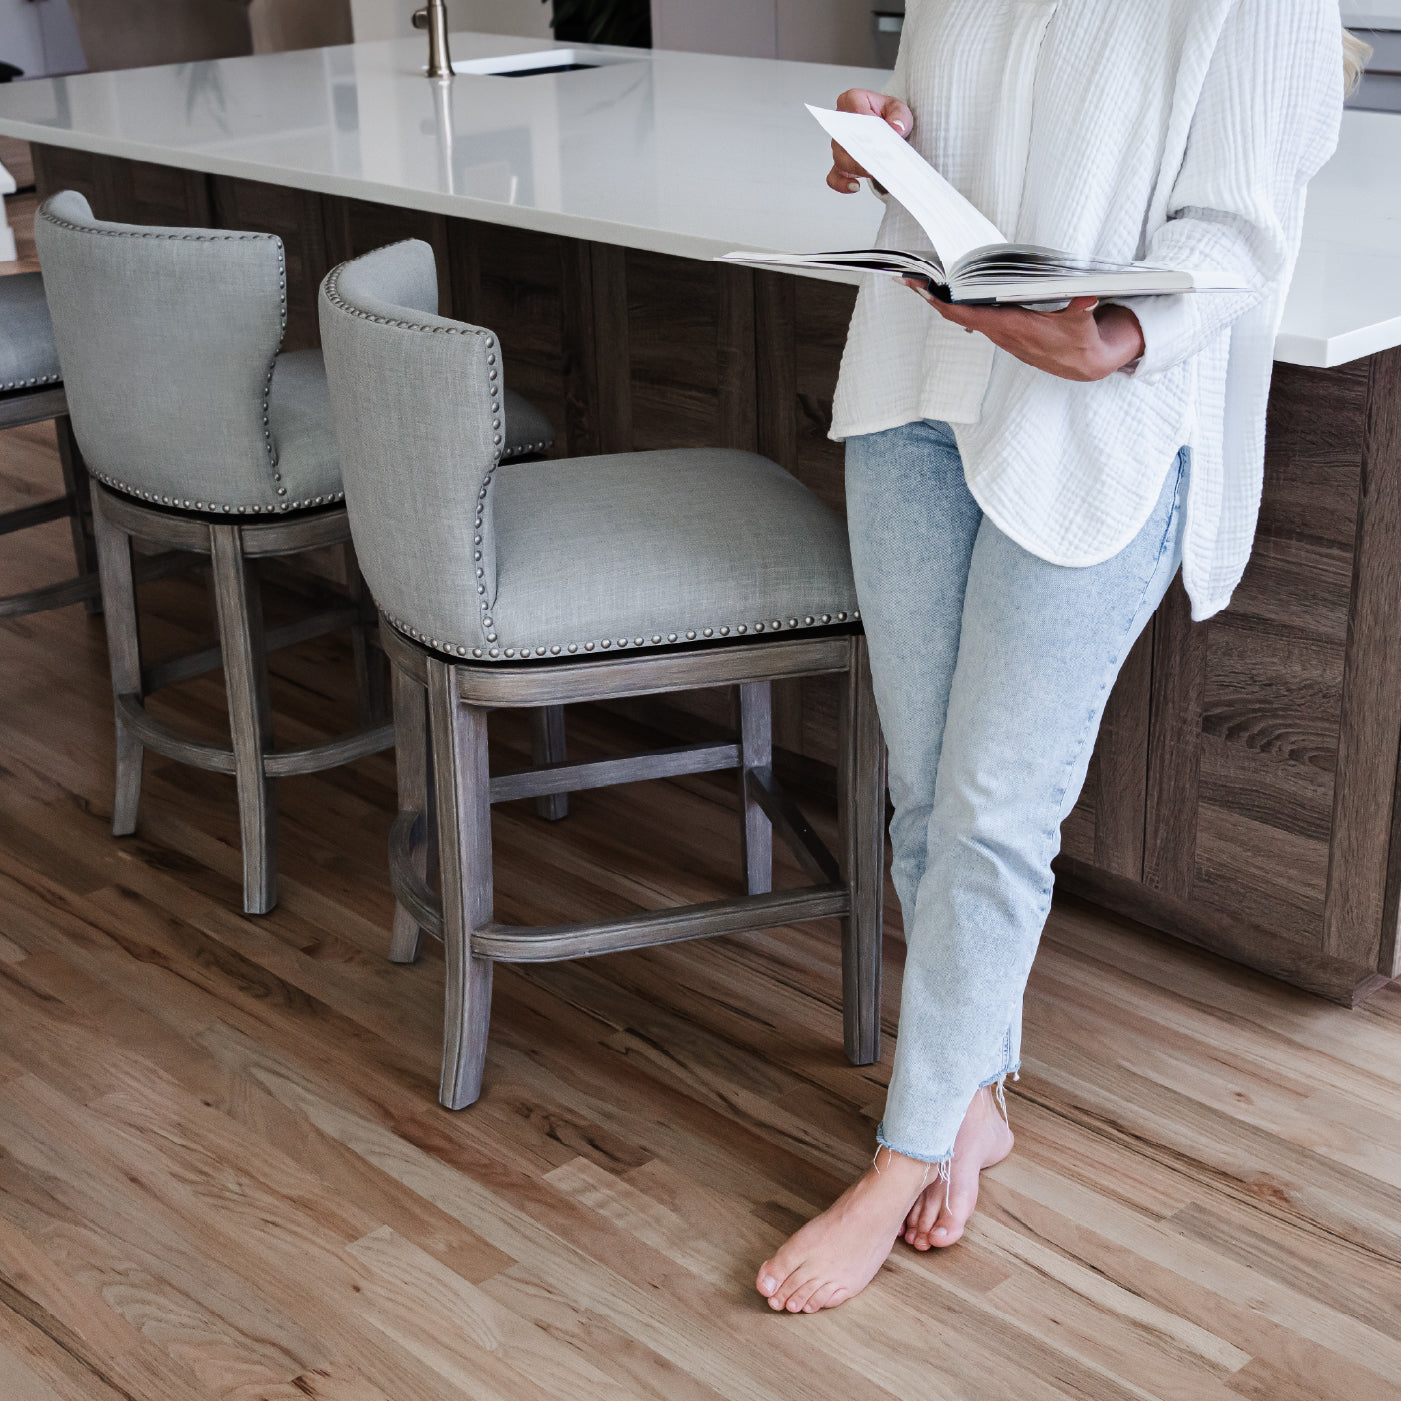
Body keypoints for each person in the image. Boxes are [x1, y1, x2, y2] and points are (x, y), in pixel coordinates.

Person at [755, 0, 1367, 1316]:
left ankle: (897, 1156)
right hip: (916, 377)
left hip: (1100, 419)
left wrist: (1118, 336)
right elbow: (947, 161)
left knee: (988, 811)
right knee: (926, 791)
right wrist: (880, 150)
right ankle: (967, 1106)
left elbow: (1235, 236)